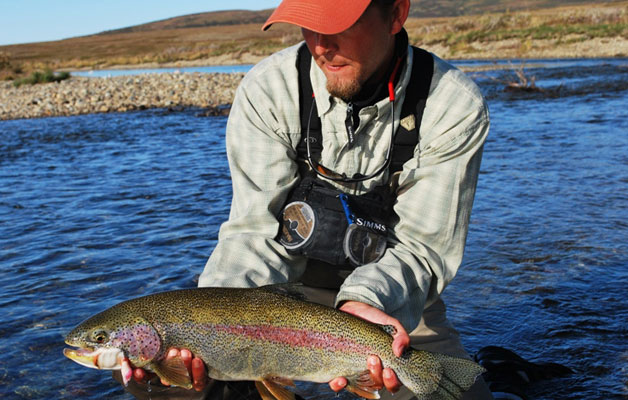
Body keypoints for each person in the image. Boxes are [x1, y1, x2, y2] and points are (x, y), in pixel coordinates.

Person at [124, 0, 492, 398]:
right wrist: (211, 327)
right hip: (278, 293)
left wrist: (365, 309)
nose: (320, 45)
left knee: (448, 387)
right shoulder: (268, 89)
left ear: (396, 14)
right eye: (308, 25)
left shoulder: (451, 105)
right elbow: (253, 233)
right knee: (167, 388)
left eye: (340, 24)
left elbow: (421, 251)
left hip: (394, 298)